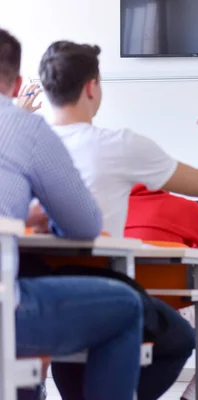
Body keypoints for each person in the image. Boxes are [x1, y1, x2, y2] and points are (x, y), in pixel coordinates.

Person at [37, 40, 198, 400]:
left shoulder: (26, 143)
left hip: (33, 293)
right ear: (91, 87)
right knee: (176, 338)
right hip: (101, 291)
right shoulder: (117, 144)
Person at [0, 28, 144, 400]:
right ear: (18, 85)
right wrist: (37, 213)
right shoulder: (24, 127)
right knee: (126, 306)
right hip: (4, 311)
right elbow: (84, 224)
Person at [125, 183, 198, 399]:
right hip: (169, 311)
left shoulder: (106, 208)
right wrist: (190, 249)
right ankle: (191, 397)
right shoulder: (183, 208)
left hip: (117, 308)